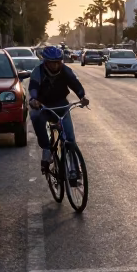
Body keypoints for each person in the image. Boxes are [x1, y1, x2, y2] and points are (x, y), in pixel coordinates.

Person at [28, 46, 90, 177]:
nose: (55, 65)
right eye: (52, 62)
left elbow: (75, 84)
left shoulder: (65, 70)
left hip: (61, 105)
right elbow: (33, 87)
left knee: (70, 139)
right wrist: (34, 100)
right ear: (45, 62)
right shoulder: (37, 72)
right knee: (35, 116)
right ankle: (46, 150)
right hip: (43, 106)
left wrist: (82, 96)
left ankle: (74, 168)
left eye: (58, 62)